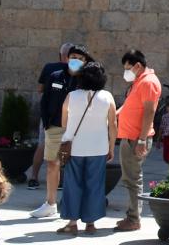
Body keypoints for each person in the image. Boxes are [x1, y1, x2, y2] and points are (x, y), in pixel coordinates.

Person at [56, 62, 117, 236]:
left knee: (72, 184)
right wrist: (111, 146)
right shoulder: (107, 97)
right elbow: (113, 125)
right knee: (95, 186)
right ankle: (91, 223)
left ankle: (72, 223)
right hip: (98, 147)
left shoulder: (71, 96)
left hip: (75, 148)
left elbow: (64, 122)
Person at [30, 45, 90, 215]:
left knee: (75, 167)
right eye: (73, 57)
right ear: (66, 58)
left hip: (77, 130)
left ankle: (75, 204)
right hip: (55, 127)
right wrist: (47, 123)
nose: (75, 60)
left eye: (80, 58)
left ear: (85, 61)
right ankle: (50, 204)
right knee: (52, 164)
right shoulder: (55, 76)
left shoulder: (86, 81)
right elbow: (45, 100)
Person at [114, 50, 161, 232]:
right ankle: (131, 216)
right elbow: (132, 104)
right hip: (130, 136)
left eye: (128, 68)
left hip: (136, 139)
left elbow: (149, 111)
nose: (126, 72)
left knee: (133, 180)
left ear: (137, 66)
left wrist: (142, 140)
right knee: (130, 178)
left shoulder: (148, 82)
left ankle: (134, 219)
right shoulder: (140, 81)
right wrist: (117, 113)